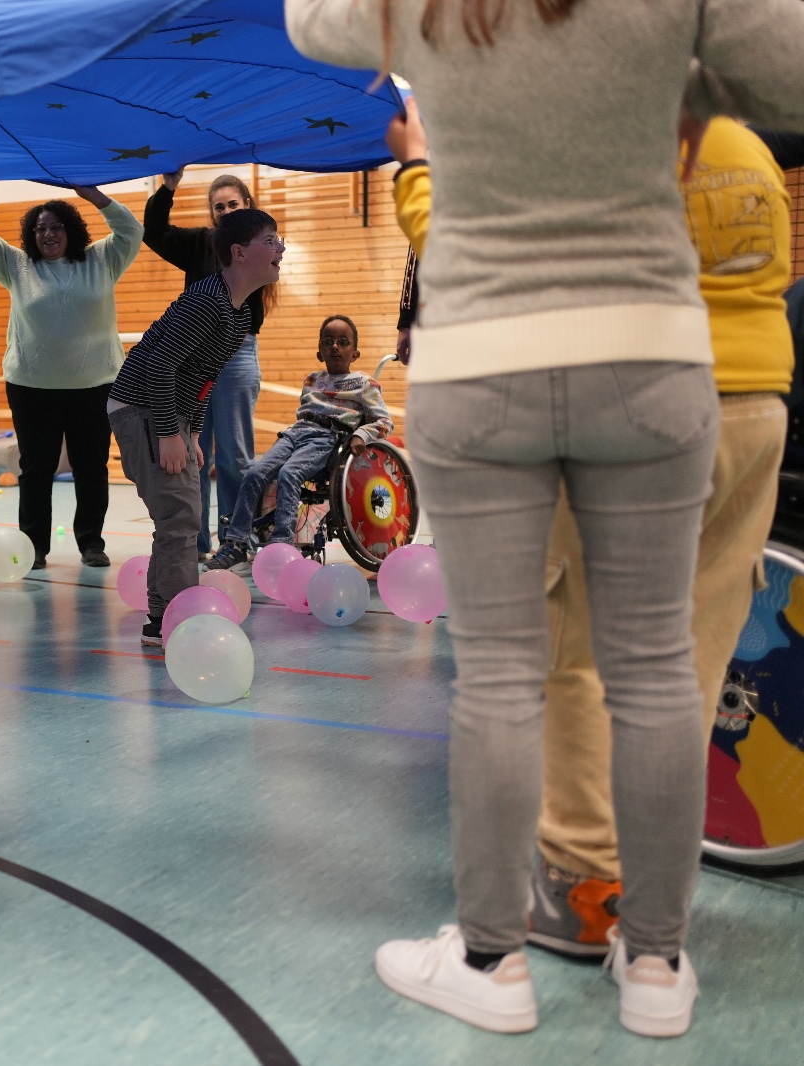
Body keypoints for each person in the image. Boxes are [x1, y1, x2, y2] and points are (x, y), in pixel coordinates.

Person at [290, 0, 804, 1038]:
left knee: (500, 674)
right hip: (649, 353)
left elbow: (309, 20)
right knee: (657, 665)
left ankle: (490, 960)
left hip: (482, 360)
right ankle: (654, 966)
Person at [388, 96, 801, 960]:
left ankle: (582, 893)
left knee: (574, 649)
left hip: (633, 406)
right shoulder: (741, 145)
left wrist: (418, 171)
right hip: (755, 412)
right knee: (686, 662)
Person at [107, 209, 283, 646]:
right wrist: (169, 433)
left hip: (170, 415)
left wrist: (193, 432)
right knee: (180, 517)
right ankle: (172, 621)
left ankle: (162, 616)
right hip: (143, 408)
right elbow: (161, 364)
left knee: (179, 517)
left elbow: (205, 376)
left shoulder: (241, 312)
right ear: (239, 253)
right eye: (270, 240)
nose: (281, 248)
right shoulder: (208, 301)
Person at [0, 181, 143, 570]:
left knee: (91, 468)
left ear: (71, 230)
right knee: (36, 469)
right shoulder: (17, 265)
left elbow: (132, 230)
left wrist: (91, 194)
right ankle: (34, 547)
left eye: (56, 227)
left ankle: (91, 544)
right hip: (32, 388)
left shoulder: (102, 260)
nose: (48, 234)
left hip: (96, 386)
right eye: (41, 228)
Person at [144, 168, 269, 560]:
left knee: (234, 455)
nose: (226, 211)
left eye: (233, 204)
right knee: (194, 455)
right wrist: (167, 187)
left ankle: (236, 539)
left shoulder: (260, 246)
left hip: (235, 356)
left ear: (247, 205)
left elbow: (251, 311)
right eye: (219, 207)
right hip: (195, 359)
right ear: (212, 214)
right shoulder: (199, 243)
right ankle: (194, 542)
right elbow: (153, 231)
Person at [204, 315, 393, 573]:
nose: (335, 346)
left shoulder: (365, 384)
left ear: (355, 353)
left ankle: (282, 546)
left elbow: (383, 422)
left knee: (289, 474)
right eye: (328, 341)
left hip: (326, 437)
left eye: (343, 342)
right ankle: (236, 543)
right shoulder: (312, 380)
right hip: (296, 433)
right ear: (319, 352)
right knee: (255, 473)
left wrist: (362, 435)